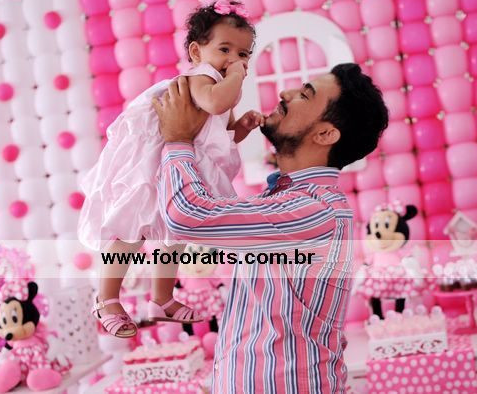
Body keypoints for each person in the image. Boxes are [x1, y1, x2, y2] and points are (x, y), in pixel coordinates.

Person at [152, 63, 389, 393]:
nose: (285, 93)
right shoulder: (284, 199)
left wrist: (178, 139)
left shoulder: (314, 209)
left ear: (325, 134)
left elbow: (187, 215)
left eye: (305, 95)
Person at [78, 0, 263, 338]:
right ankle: (106, 299)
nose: (235, 60)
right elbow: (214, 103)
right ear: (196, 52)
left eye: (244, 54)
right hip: (155, 166)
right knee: (131, 231)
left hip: (182, 167)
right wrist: (236, 75)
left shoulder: (225, 88)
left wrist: (243, 128)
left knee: (173, 237)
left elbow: (222, 138)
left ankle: (162, 299)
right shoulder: (203, 77)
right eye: (225, 50)